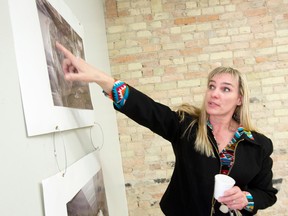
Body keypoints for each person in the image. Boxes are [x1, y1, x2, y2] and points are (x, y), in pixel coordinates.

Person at [55, 42, 277, 216]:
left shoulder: (259, 145)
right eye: (211, 86)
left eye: (225, 89)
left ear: (239, 98)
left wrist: (246, 198)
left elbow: (266, 194)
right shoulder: (186, 127)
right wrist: (98, 77)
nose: (214, 93)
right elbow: (147, 109)